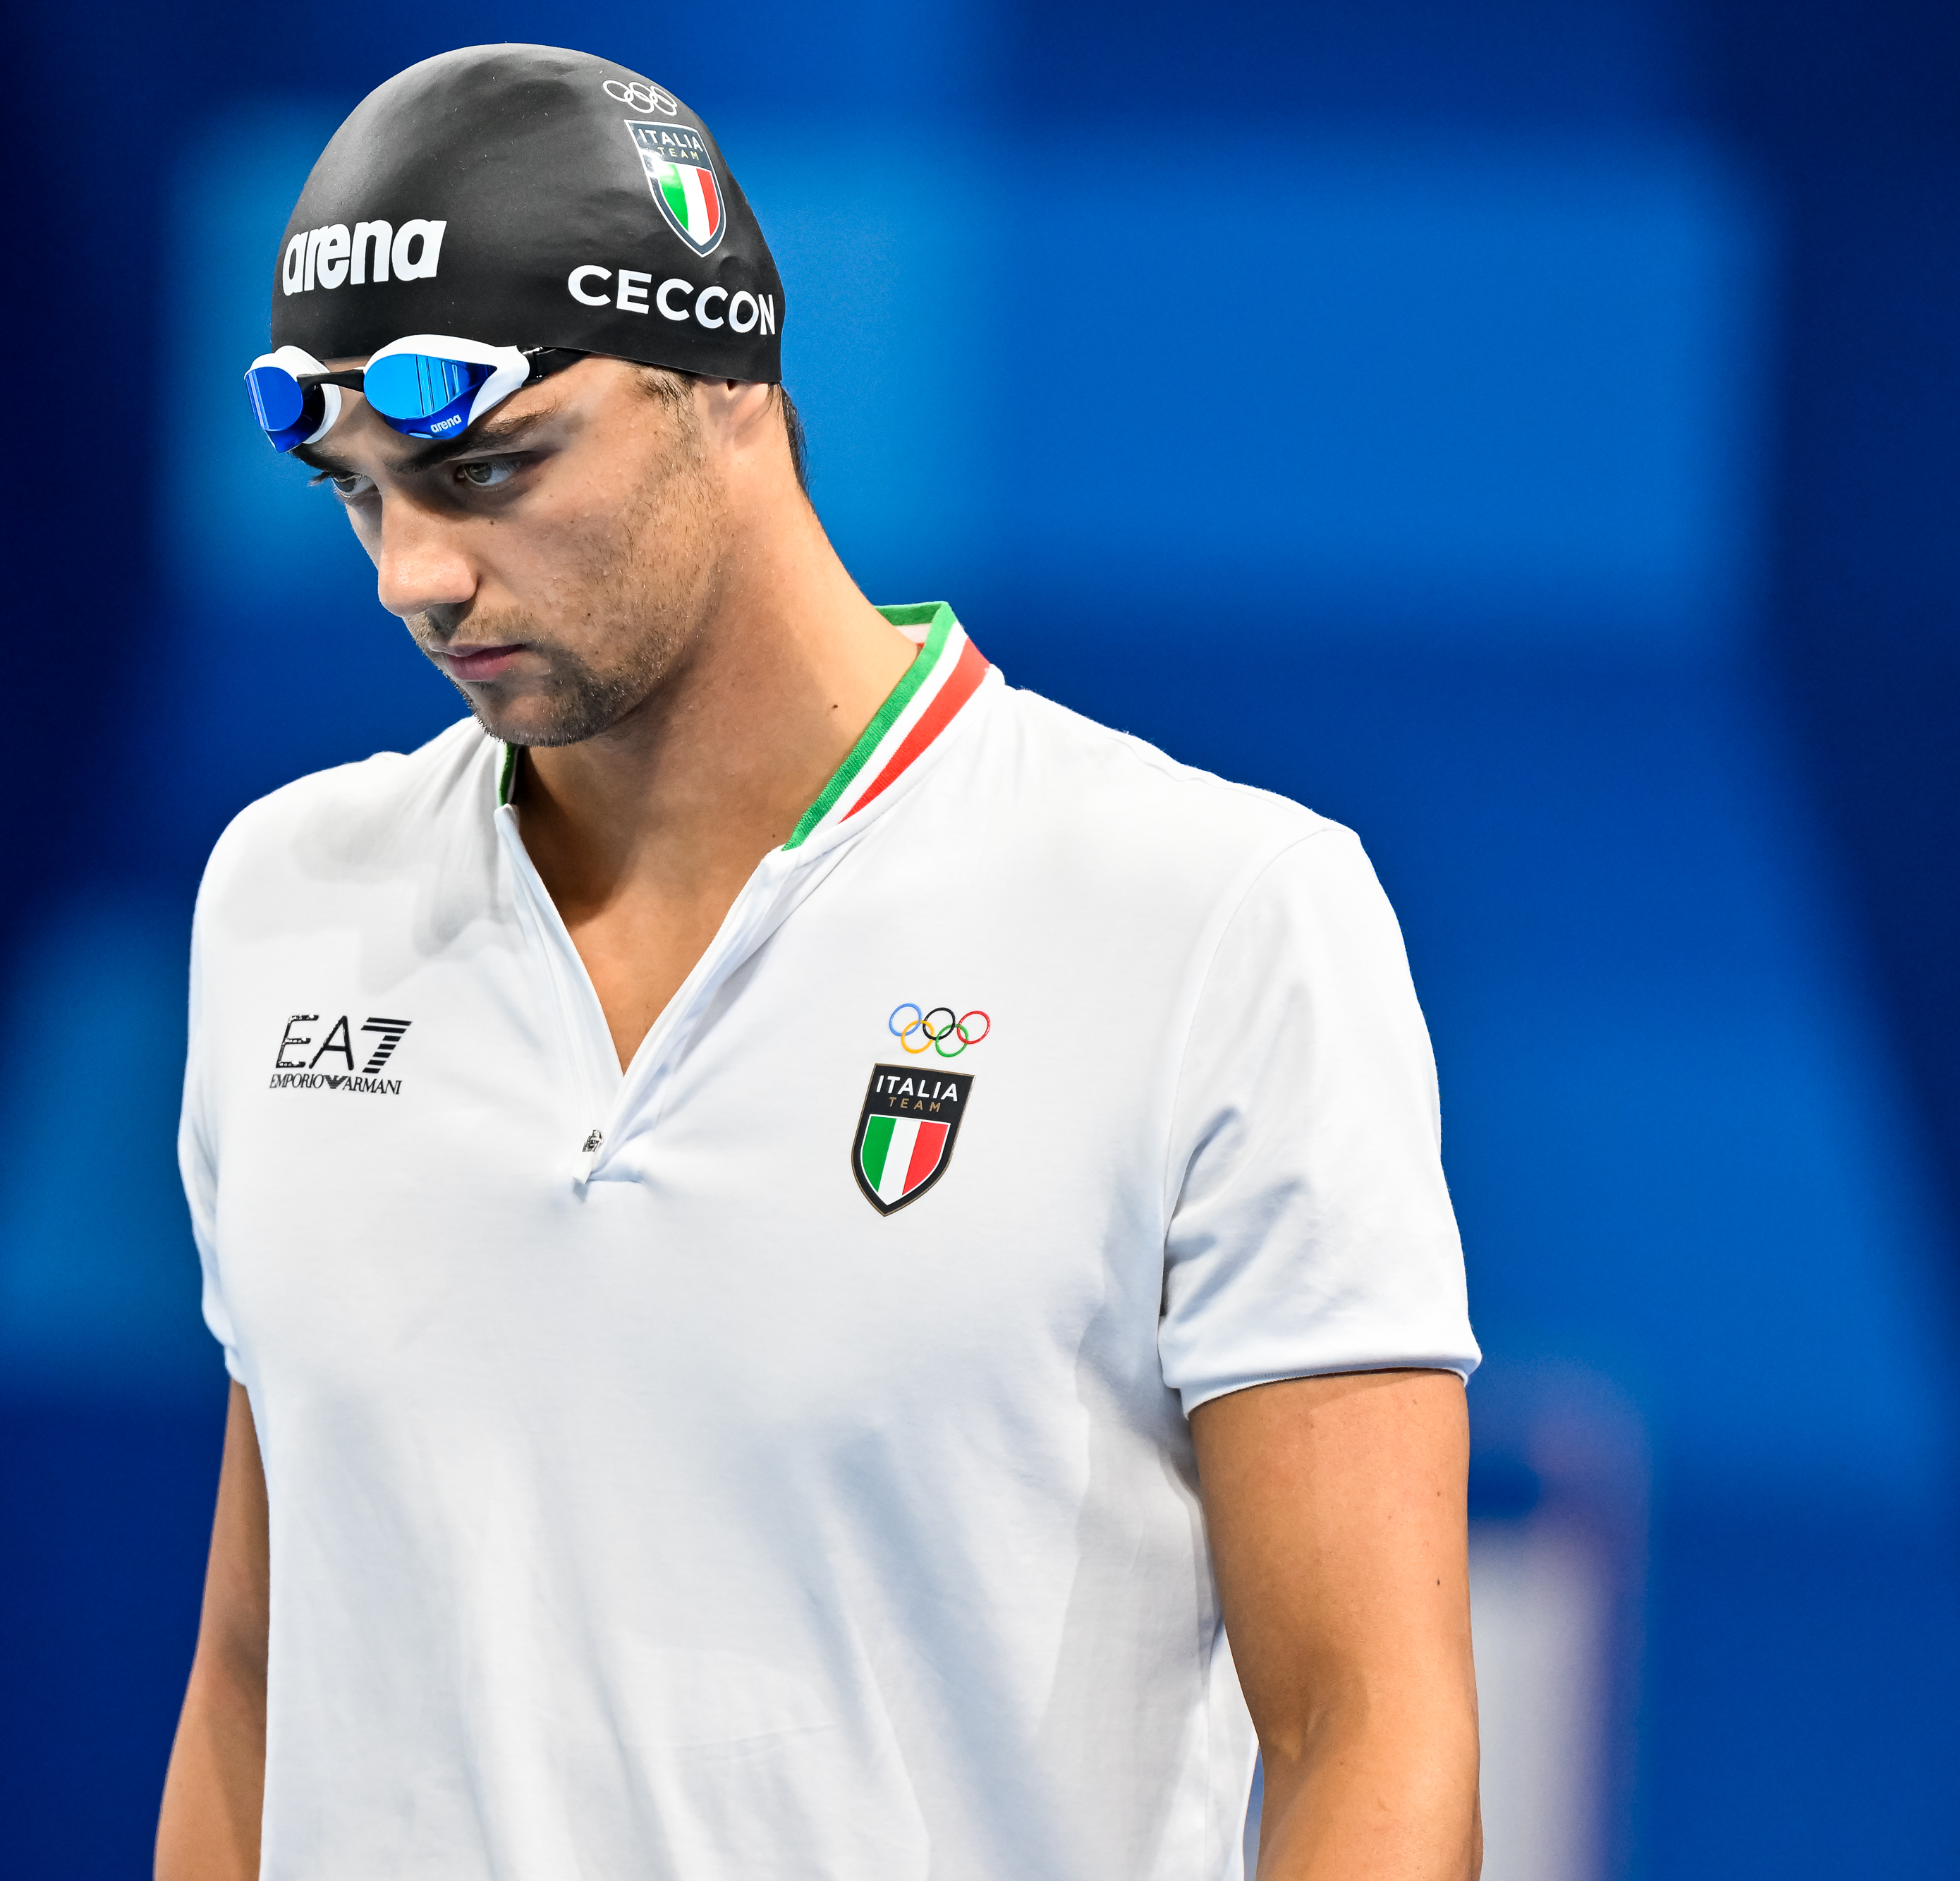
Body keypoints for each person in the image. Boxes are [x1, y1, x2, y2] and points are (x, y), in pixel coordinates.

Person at [158, 44, 1481, 1881]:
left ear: (729, 388)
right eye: (365, 494)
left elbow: (1369, 1726)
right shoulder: (286, 902)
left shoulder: (1215, 915)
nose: (418, 575)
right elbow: (253, 1678)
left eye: (486, 468)